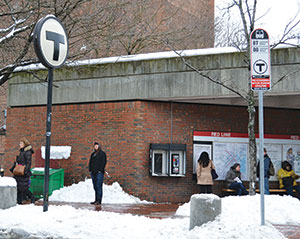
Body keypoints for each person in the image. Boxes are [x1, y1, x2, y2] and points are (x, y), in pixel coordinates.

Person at [10, 138, 35, 204]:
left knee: (23, 188)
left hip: (23, 172)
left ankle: (32, 197)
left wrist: (25, 171)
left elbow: (28, 163)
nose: (19, 145)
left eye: (21, 143)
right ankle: (19, 201)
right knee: (19, 187)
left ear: (25, 144)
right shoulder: (22, 152)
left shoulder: (27, 152)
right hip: (19, 172)